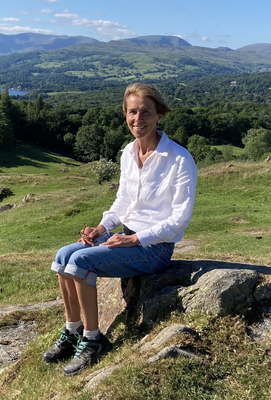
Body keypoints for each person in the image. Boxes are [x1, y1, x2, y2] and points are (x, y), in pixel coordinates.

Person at [42, 82, 197, 376]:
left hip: (155, 247)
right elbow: (123, 200)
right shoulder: (128, 152)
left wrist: (137, 238)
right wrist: (101, 227)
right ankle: (73, 329)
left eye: (145, 112)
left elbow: (180, 219)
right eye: (132, 112)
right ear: (125, 115)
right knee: (63, 256)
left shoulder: (179, 159)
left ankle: (93, 340)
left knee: (79, 262)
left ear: (159, 114)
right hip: (126, 236)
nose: (138, 119)